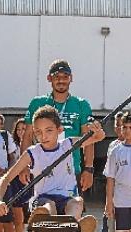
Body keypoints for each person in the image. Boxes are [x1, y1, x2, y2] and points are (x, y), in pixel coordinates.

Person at [0, 105, 103, 232]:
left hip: (67, 199)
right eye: (38, 132)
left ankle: (71, 228)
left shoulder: (68, 144)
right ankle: (63, 228)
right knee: (48, 206)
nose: (43, 136)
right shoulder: (32, 152)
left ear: (59, 129)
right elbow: (6, 178)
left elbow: (98, 137)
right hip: (43, 198)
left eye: (49, 130)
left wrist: (97, 129)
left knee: (77, 202)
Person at [21, 59, 95, 194]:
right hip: (42, 169)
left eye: (65, 77)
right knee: (42, 212)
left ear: (71, 78)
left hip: (71, 169)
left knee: (72, 212)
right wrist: (24, 167)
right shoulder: (38, 103)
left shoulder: (81, 104)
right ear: (49, 78)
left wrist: (89, 168)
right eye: (57, 77)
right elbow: (27, 136)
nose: (61, 80)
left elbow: (88, 139)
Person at [80, 112, 124, 232]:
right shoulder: (113, 145)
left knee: (126, 227)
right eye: (117, 125)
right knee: (108, 219)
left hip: (130, 193)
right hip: (113, 189)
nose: (119, 128)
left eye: (122, 125)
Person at [7, 118, 32, 232]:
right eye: (19, 129)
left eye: (24, 129)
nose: (21, 132)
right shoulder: (13, 147)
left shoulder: (35, 146)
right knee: (17, 216)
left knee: (26, 216)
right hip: (16, 182)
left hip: (30, 182)